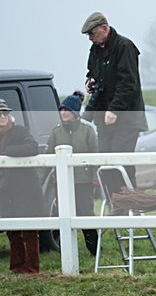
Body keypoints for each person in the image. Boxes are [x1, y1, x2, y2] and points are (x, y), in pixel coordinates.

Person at [81, 11, 147, 188]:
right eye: (88, 35)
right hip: (103, 117)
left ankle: (128, 200)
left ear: (104, 28)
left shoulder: (125, 46)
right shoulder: (95, 50)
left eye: (92, 33)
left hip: (126, 118)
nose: (90, 38)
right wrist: (90, 82)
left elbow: (128, 83)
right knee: (105, 163)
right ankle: (113, 200)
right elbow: (92, 72)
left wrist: (114, 109)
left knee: (121, 163)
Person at [46, 91, 100, 255]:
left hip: (83, 181)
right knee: (62, 213)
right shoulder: (55, 132)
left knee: (85, 213)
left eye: (67, 110)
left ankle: (94, 249)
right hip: (60, 181)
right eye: (61, 109)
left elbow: (95, 155)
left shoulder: (88, 131)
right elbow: (48, 156)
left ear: (75, 112)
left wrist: (94, 176)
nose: (63, 113)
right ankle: (63, 249)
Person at [0, 99, 46, 273]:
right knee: (12, 230)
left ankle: (32, 267)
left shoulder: (20, 131)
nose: (2, 117)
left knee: (29, 230)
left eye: (4, 113)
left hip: (25, 188)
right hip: (5, 190)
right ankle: (16, 266)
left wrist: (7, 153)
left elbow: (32, 147)